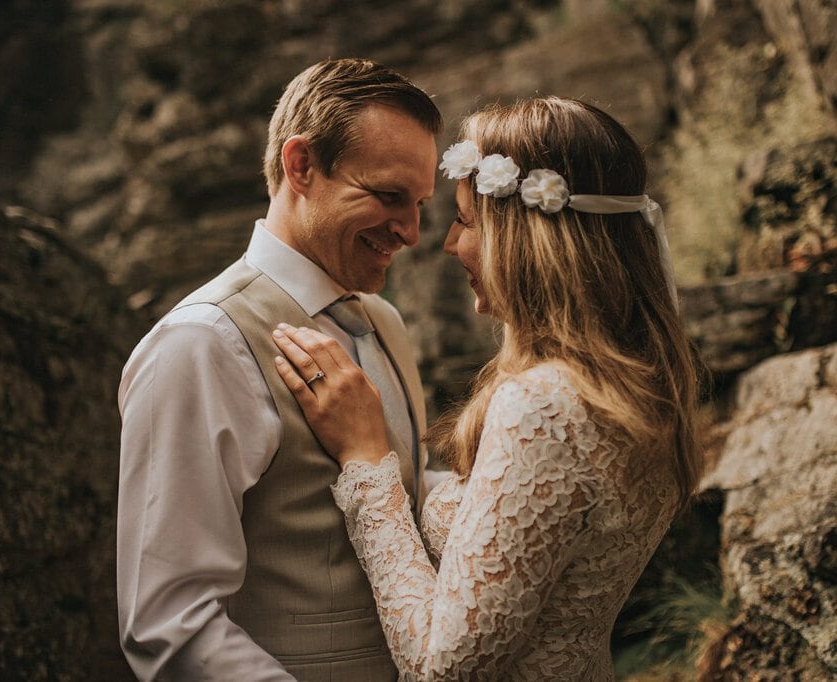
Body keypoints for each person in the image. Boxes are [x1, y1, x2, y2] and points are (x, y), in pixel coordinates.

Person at [272, 96, 703, 680]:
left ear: (528, 237)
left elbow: (438, 668)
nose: (449, 243)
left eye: (467, 221)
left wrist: (368, 462)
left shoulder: (545, 405)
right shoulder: (635, 385)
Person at [116, 58, 442, 681]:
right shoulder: (200, 344)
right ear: (301, 166)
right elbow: (168, 622)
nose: (411, 232)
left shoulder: (385, 324)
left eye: (421, 203)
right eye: (389, 196)